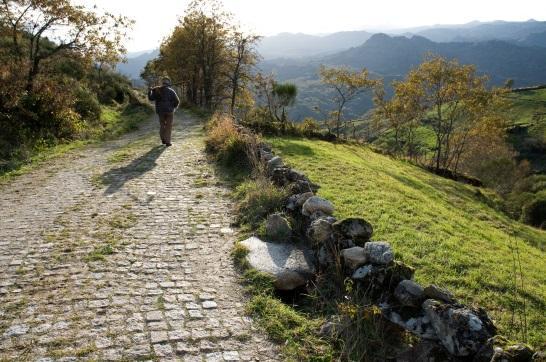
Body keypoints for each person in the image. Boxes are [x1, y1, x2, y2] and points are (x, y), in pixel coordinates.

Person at [148, 77, 180, 147]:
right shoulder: (171, 91)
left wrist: (149, 91)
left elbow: (151, 98)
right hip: (169, 111)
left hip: (160, 111)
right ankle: (168, 142)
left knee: (162, 125)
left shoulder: (156, 90)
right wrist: (173, 107)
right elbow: (177, 101)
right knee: (168, 126)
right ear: (168, 83)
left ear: (162, 83)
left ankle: (163, 139)